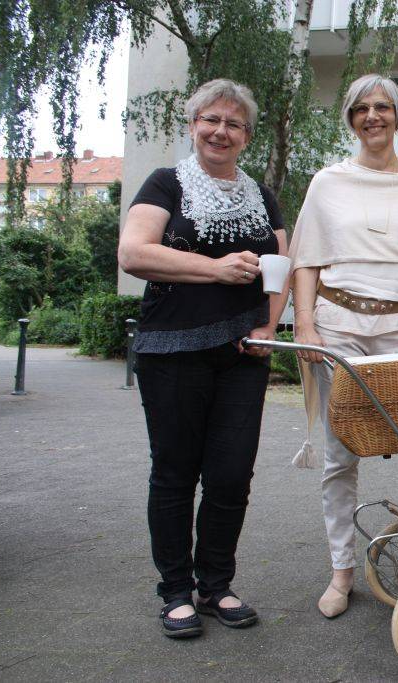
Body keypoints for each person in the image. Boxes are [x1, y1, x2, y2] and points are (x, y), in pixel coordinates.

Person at [289, 74, 398, 619]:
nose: (373, 116)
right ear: (350, 118)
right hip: (337, 327)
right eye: (362, 108)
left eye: (383, 107)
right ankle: (342, 571)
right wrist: (304, 325)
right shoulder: (328, 182)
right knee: (341, 456)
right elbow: (307, 259)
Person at [118, 79, 288, 638]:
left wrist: (267, 325)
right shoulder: (166, 183)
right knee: (174, 474)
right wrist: (215, 270)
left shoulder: (263, 196)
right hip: (173, 351)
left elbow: (281, 271)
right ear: (193, 126)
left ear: (246, 135)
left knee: (231, 474)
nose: (221, 131)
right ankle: (174, 591)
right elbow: (134, 254)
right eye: (211, 120)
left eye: (234, 124)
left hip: (243, 353)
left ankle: (216, 585)